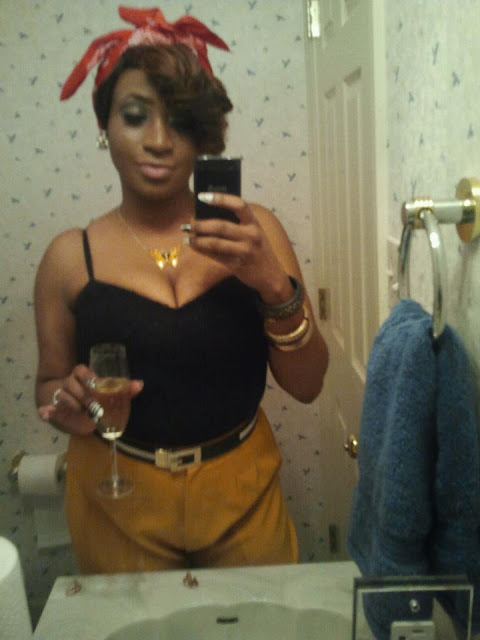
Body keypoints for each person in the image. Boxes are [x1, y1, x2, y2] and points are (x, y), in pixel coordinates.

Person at [34, 5, 329, 573]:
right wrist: (71, 403)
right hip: (115, 498)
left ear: (202, 135)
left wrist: (273, 284)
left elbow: (309, 385)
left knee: (263, 617)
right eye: (135, 115)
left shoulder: (255, 233)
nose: (159, 140)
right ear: (104, 127)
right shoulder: (69, 258)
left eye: (180, 121)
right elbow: (49, 386)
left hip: (244, 491)